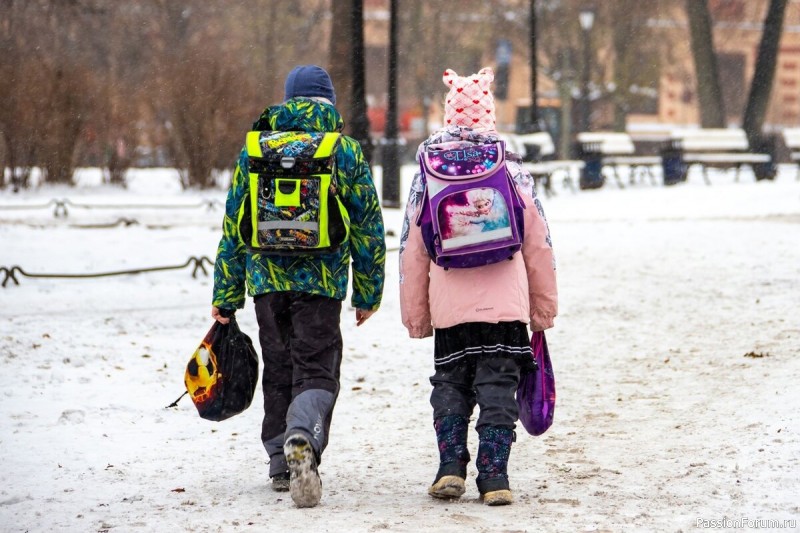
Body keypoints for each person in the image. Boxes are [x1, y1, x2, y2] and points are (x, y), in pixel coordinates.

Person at [211, 64, 386, 508]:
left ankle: (277, 460)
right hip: (322, 282)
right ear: (327, 102)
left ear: (287, 101)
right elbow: (367, 225)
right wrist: (368, 292)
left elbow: (234, 226)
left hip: (266, 282)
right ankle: (302, 434)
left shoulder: (254, 149)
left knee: (279, 367)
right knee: (317, 367)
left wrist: (226, 296)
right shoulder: (342, 150)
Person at [399, 67, 557, 506]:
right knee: (497, 388)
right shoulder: (510, 170)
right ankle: (495, 477)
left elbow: (412, 250)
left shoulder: (428, 173)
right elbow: (538, 244)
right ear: (489, 116)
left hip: (451, 308)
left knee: (450, 384)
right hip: (504, 310)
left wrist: (417, 316)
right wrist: (542, 310)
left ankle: (450, 468)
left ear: (450, 115)